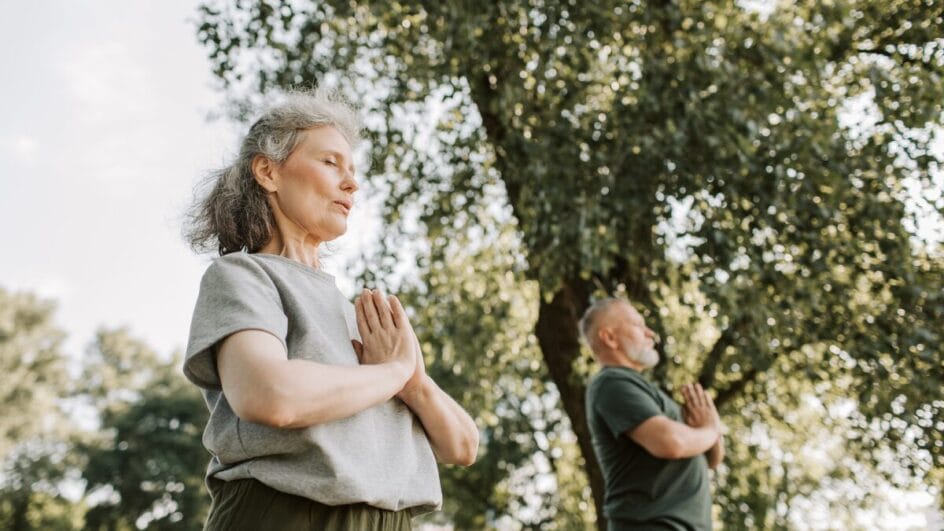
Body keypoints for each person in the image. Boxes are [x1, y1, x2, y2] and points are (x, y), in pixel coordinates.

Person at [182, 89, 479, 531]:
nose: (352, 183)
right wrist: (393, 373)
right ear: (268, 171)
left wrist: (414, 383)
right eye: (330, 162)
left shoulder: (362, 320)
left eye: (353, 170)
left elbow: (463, 446)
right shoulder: (244, 276)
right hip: (285, 514)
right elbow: (270, 395)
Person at [582, 298, 724, 530]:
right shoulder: (612, 383)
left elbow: (709, 458)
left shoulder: (650, 394)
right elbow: (672, 442)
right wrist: (709, 429)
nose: (651, 333)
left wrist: (709, 431)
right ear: (609, 338)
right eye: (638, 325)